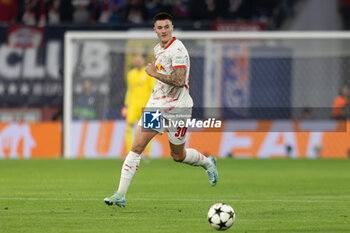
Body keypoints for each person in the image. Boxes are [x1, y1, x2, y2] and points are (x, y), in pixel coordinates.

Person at [104, 12, 218, 207]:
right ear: (155, 30)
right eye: (160, 28)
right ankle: (120, 194)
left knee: (178, 156)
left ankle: (208, 163)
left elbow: (181, 81)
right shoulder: (158, 49)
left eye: (167, 27)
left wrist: (154, 74)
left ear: (172, 28)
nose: (164, 31)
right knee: (137, 147)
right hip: (156, 106)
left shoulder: (178, 50)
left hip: (178, 109)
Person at [122, 53, 156, 159]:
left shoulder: (149, 72)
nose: (137, 60)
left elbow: (153, 88)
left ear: (143, 60)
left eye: (139, 58)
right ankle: (129, 153)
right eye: (135, 58)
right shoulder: (130, 74)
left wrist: (154, 103)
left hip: (148, 105)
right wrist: (126, 104)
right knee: (129, 127)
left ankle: (147, 154)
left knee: (149, 130)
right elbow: (130, 90)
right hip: (133, 105)